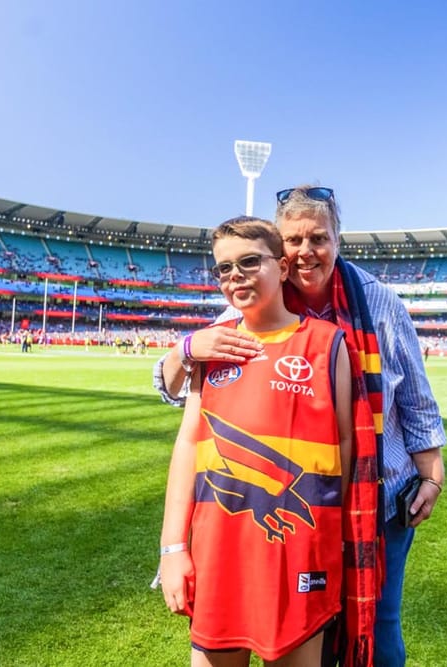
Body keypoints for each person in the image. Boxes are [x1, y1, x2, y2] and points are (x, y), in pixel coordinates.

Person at [154, 186, 447, 666]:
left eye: (319, 238)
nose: (307, 251)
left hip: (379, 497)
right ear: (280, 250)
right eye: (294, 239)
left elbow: (415, 400)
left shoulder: (378, 303)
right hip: (271, 517)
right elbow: (181, 390)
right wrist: (184, 349)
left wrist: (432, 474)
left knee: (378, 626)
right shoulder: (247, 301)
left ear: (337, 240)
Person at [159, 217, 353, 665]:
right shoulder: (211, 350)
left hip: (298, 554)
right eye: (223, 269)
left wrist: (326, 539)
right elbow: (188, 444)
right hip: (218, 551)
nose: (234, 276)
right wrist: (173, 548)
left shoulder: (326, 345)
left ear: (283, 268)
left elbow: (344, 447)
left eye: (248, 262)